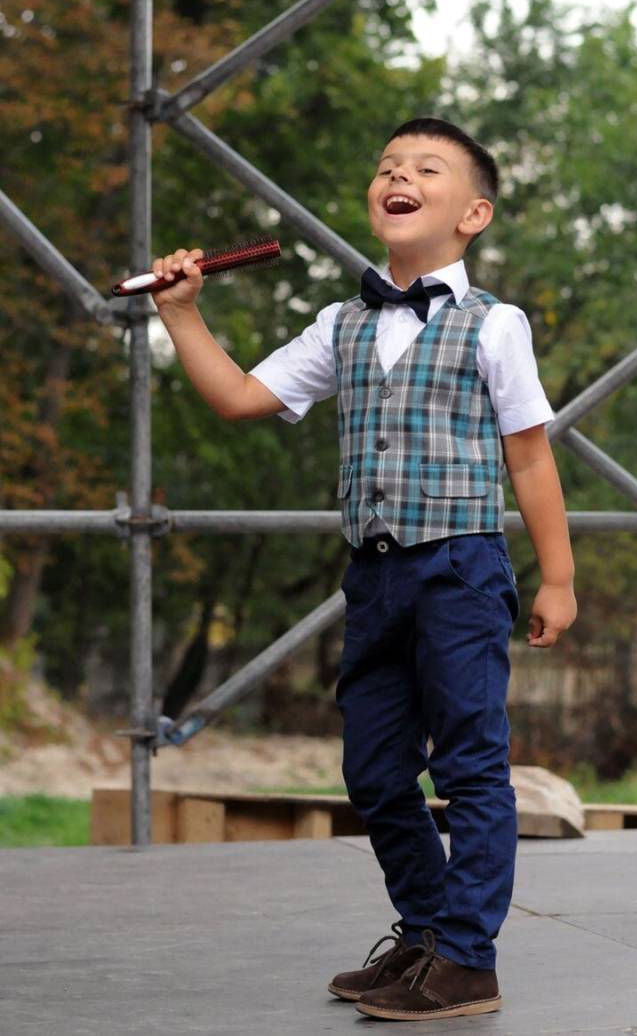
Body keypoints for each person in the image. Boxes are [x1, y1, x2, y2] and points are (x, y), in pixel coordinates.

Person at [151, 115, 577, 1022]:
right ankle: (425, 935)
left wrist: (559, 576)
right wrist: (182, 314)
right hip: (375, 577)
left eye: (427, 167)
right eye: (388, 165)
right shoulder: (340, 323)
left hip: (461, 568)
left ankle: (469, 959)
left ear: (474, 214)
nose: (400, 175)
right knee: (376, 770)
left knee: (470, 767)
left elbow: (531, 458)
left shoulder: (495, 326)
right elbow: (238, 397)